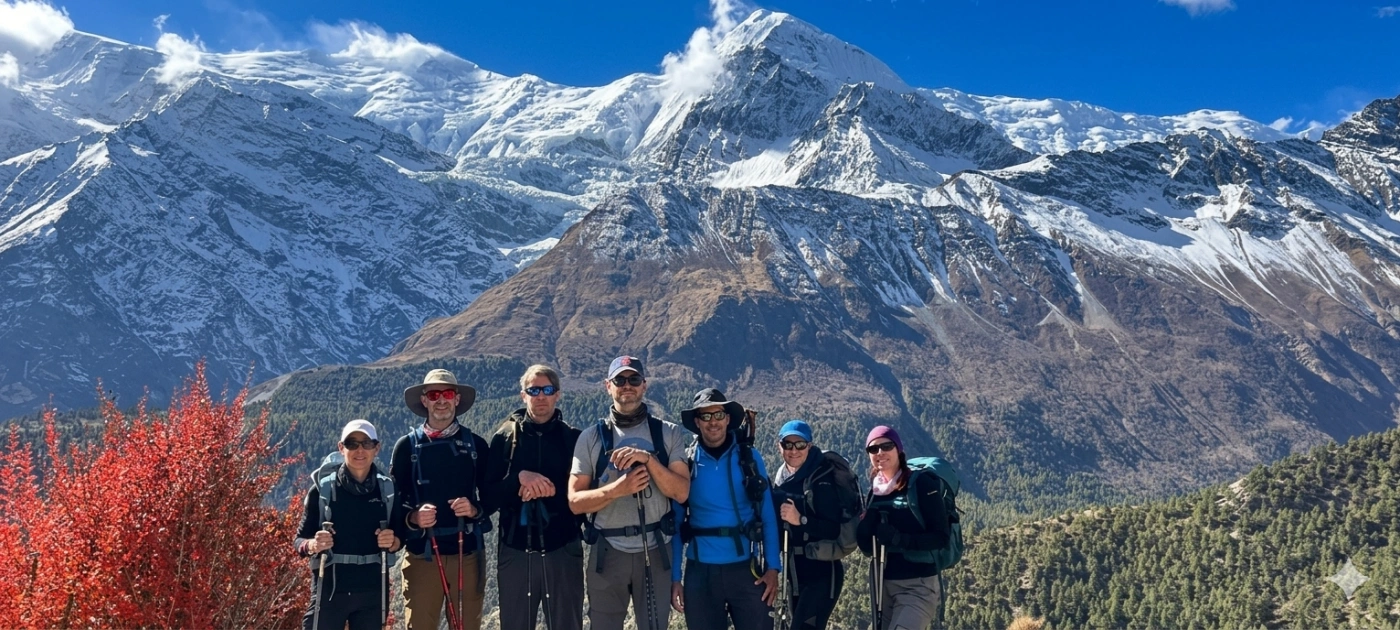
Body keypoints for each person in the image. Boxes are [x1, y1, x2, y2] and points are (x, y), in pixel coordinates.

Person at [567, 356, 691, 630]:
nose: (627, 385)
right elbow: (575, 502)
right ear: (608, 386)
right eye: (620, 380)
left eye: (633, 379)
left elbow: (681, 493)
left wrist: (649, 460)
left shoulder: (668, 433)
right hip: (608, 550)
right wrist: (618, 490)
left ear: (644, 385)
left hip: (656, 548)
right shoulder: (590, 438)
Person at [389, 369, 494, 630]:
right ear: (424, 400)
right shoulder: (406, 447)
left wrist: (475, 509)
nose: (441, 400)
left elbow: (492, 496)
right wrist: (413, 517)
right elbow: (394, 501)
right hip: (422, 555)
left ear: (457, 399)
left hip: (467, 553)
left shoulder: (477, 446)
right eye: (434, 395)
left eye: (447, 394)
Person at [670, 388, 781, 630]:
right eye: (706, 416)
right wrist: (675, 578)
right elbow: (676, 525)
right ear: (697, 422)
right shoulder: (687, 462)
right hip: (700, 573)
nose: (713, 422)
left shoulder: (749, 458)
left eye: (718, 415)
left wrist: (773, 567)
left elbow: (768, 515)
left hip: (746, 569)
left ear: (728, 419)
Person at [485, 365, 585, 630]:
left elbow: (586, 496)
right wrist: (518, 478)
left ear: (557, 394)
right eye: (533, 390)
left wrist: (553, 490)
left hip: (563, 548)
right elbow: (488, 499)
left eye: (547, 390)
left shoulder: (573, 440)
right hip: (516, 550)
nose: (541, 396)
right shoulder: (505, 439)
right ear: (523, 395)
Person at [294, 419, 403, 630]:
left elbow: (401, 534)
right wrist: (313, 545)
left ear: (377, 448)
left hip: (372, 594)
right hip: (329, 591)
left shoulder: (388, 490)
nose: (359, 450)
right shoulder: (322, 490)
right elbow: (299, 540)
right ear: (341, 448)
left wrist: (394, 541)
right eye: (352, 444)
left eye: (366, 443)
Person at [857, 426, 950, 630]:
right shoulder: (874, 492)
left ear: (898, 449)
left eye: (886, 446)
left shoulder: (922, 484)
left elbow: (941, 537)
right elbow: (870, 548)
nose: (880, 452)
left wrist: (900, 539)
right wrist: (863, 533)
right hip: (883, 589)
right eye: (873, 449)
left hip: (918, 587)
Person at [770, 420, 858, 630]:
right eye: (788, 444)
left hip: (822, 573)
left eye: (800, 444)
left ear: (809, 446)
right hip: (795, 573)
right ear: (779, 446)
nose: (794, 450)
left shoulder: (821, 479)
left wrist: (800, 520)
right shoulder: (782, 477)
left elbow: (833, 529)